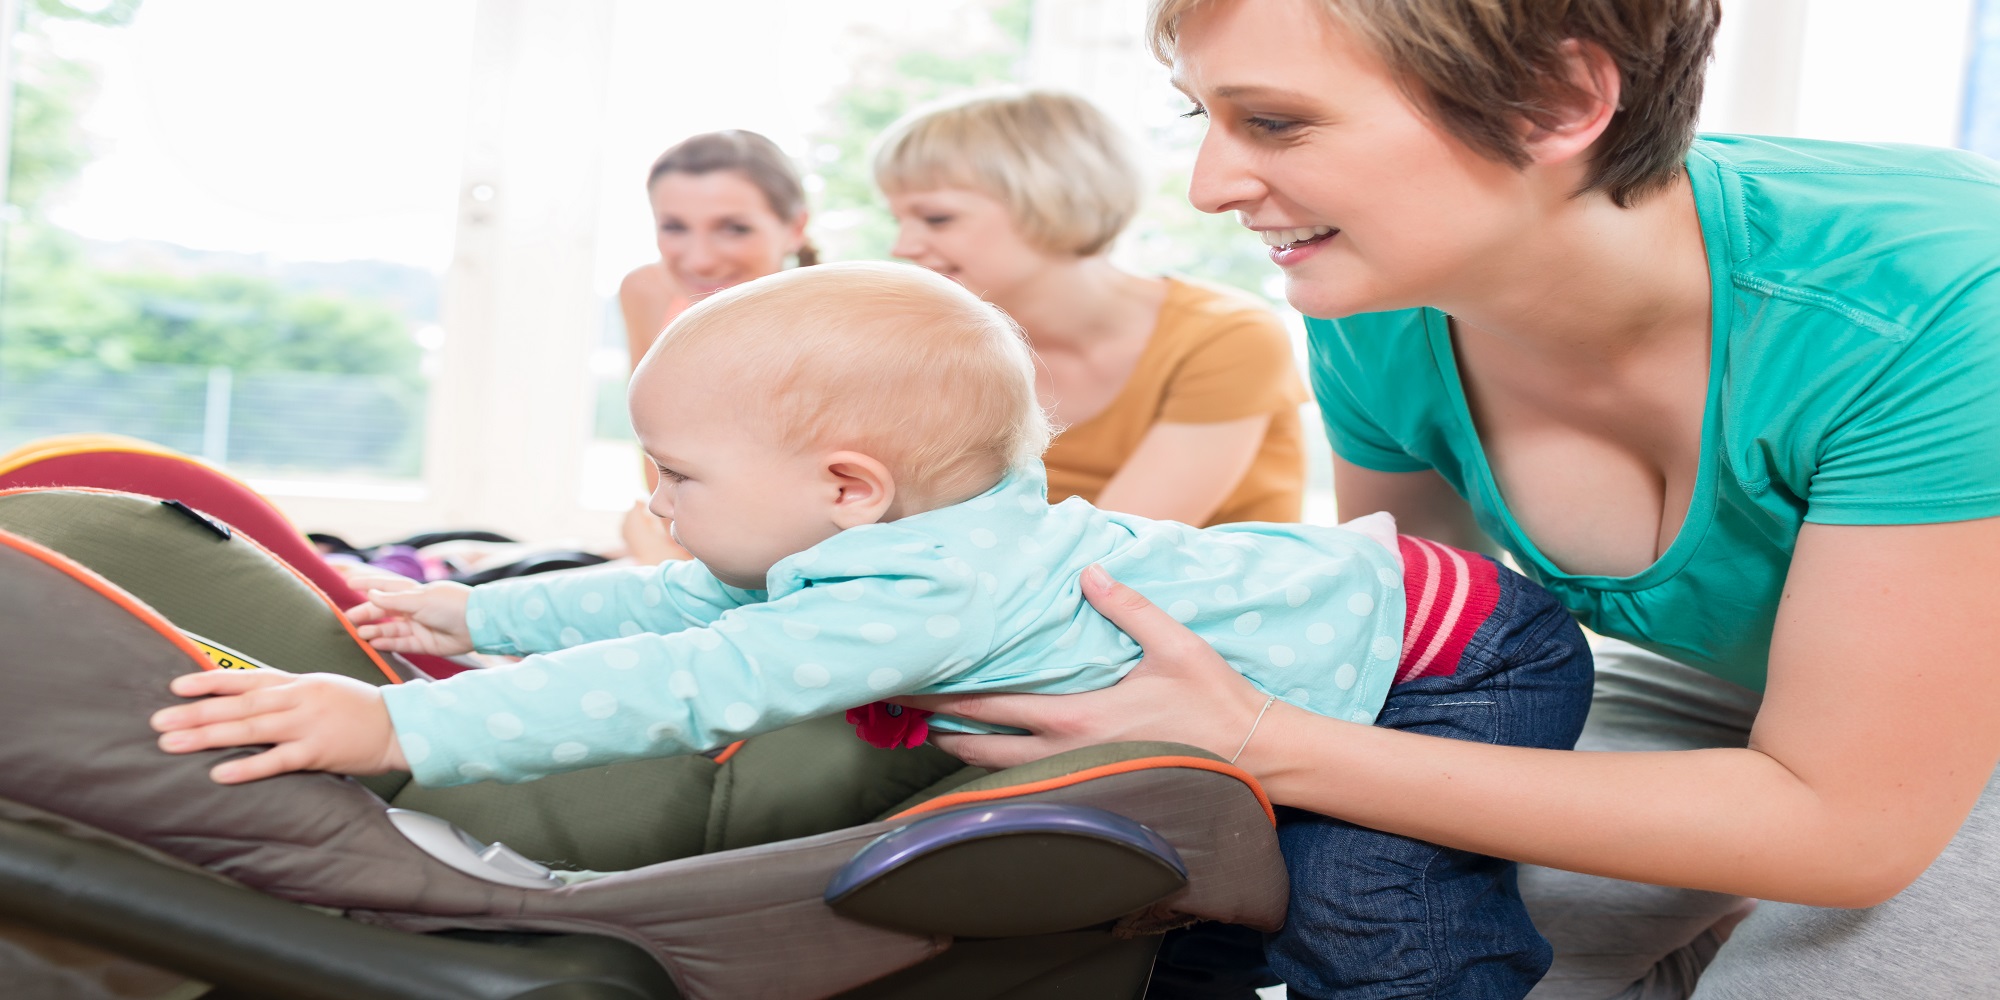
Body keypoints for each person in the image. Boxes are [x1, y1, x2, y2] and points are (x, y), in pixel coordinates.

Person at [894, 2, 2000, 999]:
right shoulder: (1375, 295)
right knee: (1417, 938)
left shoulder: (1933, 298)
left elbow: (1847, 828)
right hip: (1732, 679)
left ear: (1556, 101)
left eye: (1275, 123)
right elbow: (1405, 653)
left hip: (1922, 742)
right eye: (1204, 119)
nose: (1209, 186)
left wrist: (1258, 738)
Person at [151, 262, 1594, 999]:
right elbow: (674, 598)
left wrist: (397, 722)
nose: (656, 502)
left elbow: (690, 678)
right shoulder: (867, 549)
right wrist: (475, 612)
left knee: (1375, 910)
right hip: (1340, 642)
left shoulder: (921, 591)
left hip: (1446, 658)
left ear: (849, 488)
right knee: (1195, 913)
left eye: (681, 475)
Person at [875, 90, 1308, 526]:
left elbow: (1109, 555)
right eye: (899, 221)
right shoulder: (940, 354)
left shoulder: (1227, 336)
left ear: (1054, 200)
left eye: (936, 218)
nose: (903, 247)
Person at [618, 130, 819, 562]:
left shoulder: (833, 330)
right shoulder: (646, 292)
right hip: (681, 545)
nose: (700, 259)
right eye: (674, 227)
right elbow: (654, 453)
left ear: (795, 227)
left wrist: (658, 560)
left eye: (734, 229)